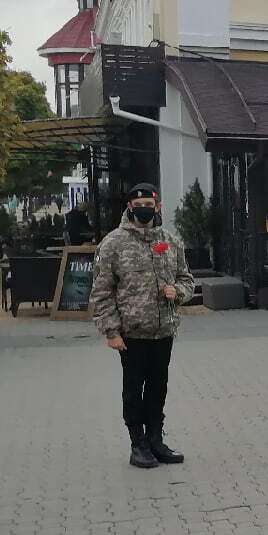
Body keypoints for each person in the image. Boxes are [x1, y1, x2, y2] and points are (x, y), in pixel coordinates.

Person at [90, 183, 196, 470]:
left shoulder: (171, 241)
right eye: (138, 206)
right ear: (130, 208)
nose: (144, 209)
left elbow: (187, 278)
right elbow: (101, 292)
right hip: (132, 333)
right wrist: (111, 331)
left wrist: (179, 291)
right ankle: (137, 444)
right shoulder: (113, 244)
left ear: (158, 206)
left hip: (163, 330)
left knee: (158, 388)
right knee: (133, 389)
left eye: (149, 204)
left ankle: (155, 440)